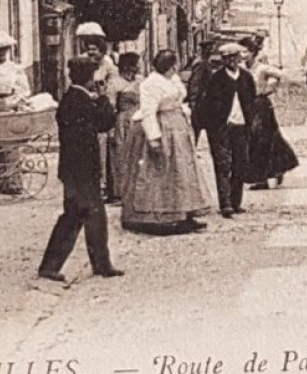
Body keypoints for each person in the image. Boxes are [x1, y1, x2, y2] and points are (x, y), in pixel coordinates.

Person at [38, 58, 123, 282]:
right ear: (89, 78)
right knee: (84, 216)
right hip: (83, 171)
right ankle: (96, 265)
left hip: (73, 170)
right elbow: (105, 122)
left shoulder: (70, 99)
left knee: (81, 216)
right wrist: (104, 98)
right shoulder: (82, 101)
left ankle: (97, 265)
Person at [124, 50, 212, 235]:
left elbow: (180, 98)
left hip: (177, 128)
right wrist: (154, 138)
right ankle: (159, 216)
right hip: (163, 127)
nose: (175, 67)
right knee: (160, 171)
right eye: (173, 64)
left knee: (182, 171)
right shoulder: (151, 83)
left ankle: (184, 213)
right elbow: (148, 111)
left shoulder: (173, 79)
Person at [199, 42, 258, 217]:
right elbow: (207, 104)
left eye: (235, 57)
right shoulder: (216, 79)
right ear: (224, 60)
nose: (232, 61)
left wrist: (250, 122)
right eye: (228, 58)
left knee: (239, 164)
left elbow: (252, 100)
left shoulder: (246, 77)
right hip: (221, 129)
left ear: (240, 58)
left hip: (241, 127)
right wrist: (213, 126)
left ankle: (236, 201)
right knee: (223, 164)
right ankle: (225, 204)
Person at [0, 31, 33, 195]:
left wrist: (15, 102)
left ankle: (12, 182)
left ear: (9, 50)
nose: (1, 53)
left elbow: (24, 90)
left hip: (10, 103)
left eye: (4, 49)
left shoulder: (16, 69)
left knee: (10, 142)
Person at [243, 38, 298, 191]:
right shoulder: (242, 68)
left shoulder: (261, 68)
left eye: (246, 52)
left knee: (263, 139)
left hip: (261, 106)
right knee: (252, 140)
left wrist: (270, 88)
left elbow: (282, 75)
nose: (243, 55)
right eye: (241, 52)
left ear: (253, 53)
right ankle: (270, 173)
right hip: (248, 106)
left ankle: (268, 175)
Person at [106, 52, 142, 204]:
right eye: (134, 65)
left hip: (138, 119)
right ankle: (119, 192)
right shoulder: (115, 83)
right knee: (120, 155)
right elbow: (111, 106)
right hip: (122, 122)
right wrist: (111, 129)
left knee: (138, 154)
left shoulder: (140, 80)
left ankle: (137, 189)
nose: (136, 68)